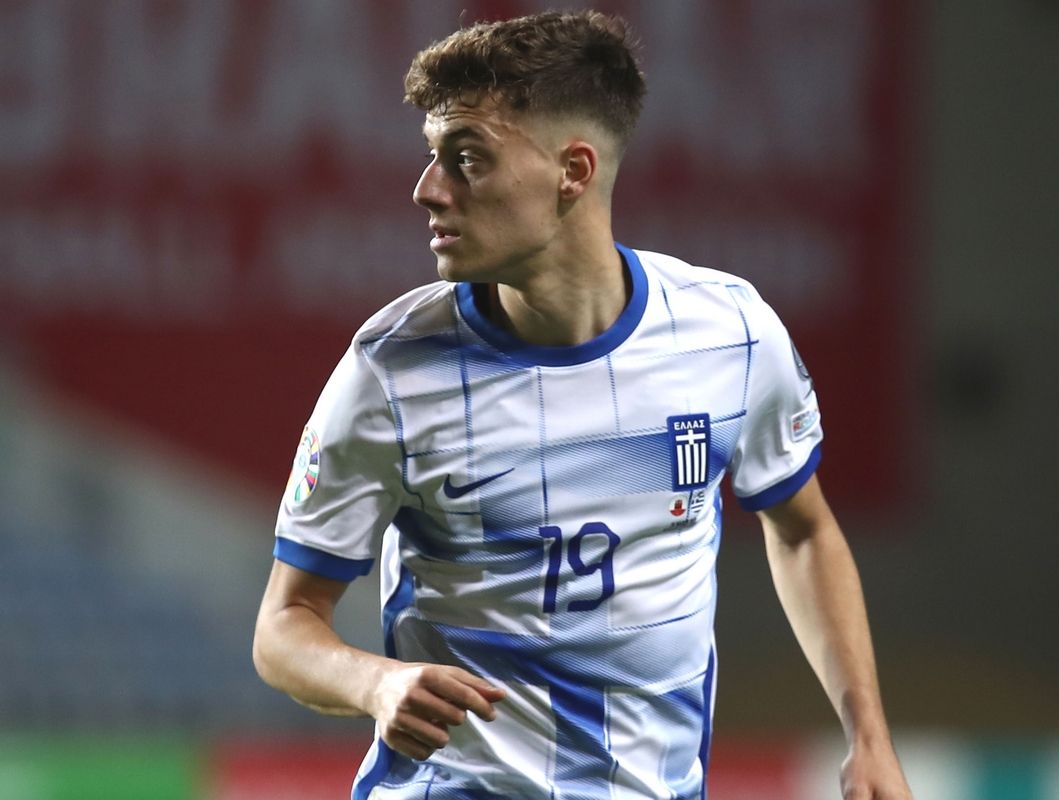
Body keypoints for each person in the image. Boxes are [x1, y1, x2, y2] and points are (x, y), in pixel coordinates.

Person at [253, 10, 912, 800]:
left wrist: (868, 736)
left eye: (467, 159)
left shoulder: (730, 335)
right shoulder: (391, 369)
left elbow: (803, 530)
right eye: (432, 157)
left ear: (574, 170)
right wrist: (376, 683)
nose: (428, 190)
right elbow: (283, 626)